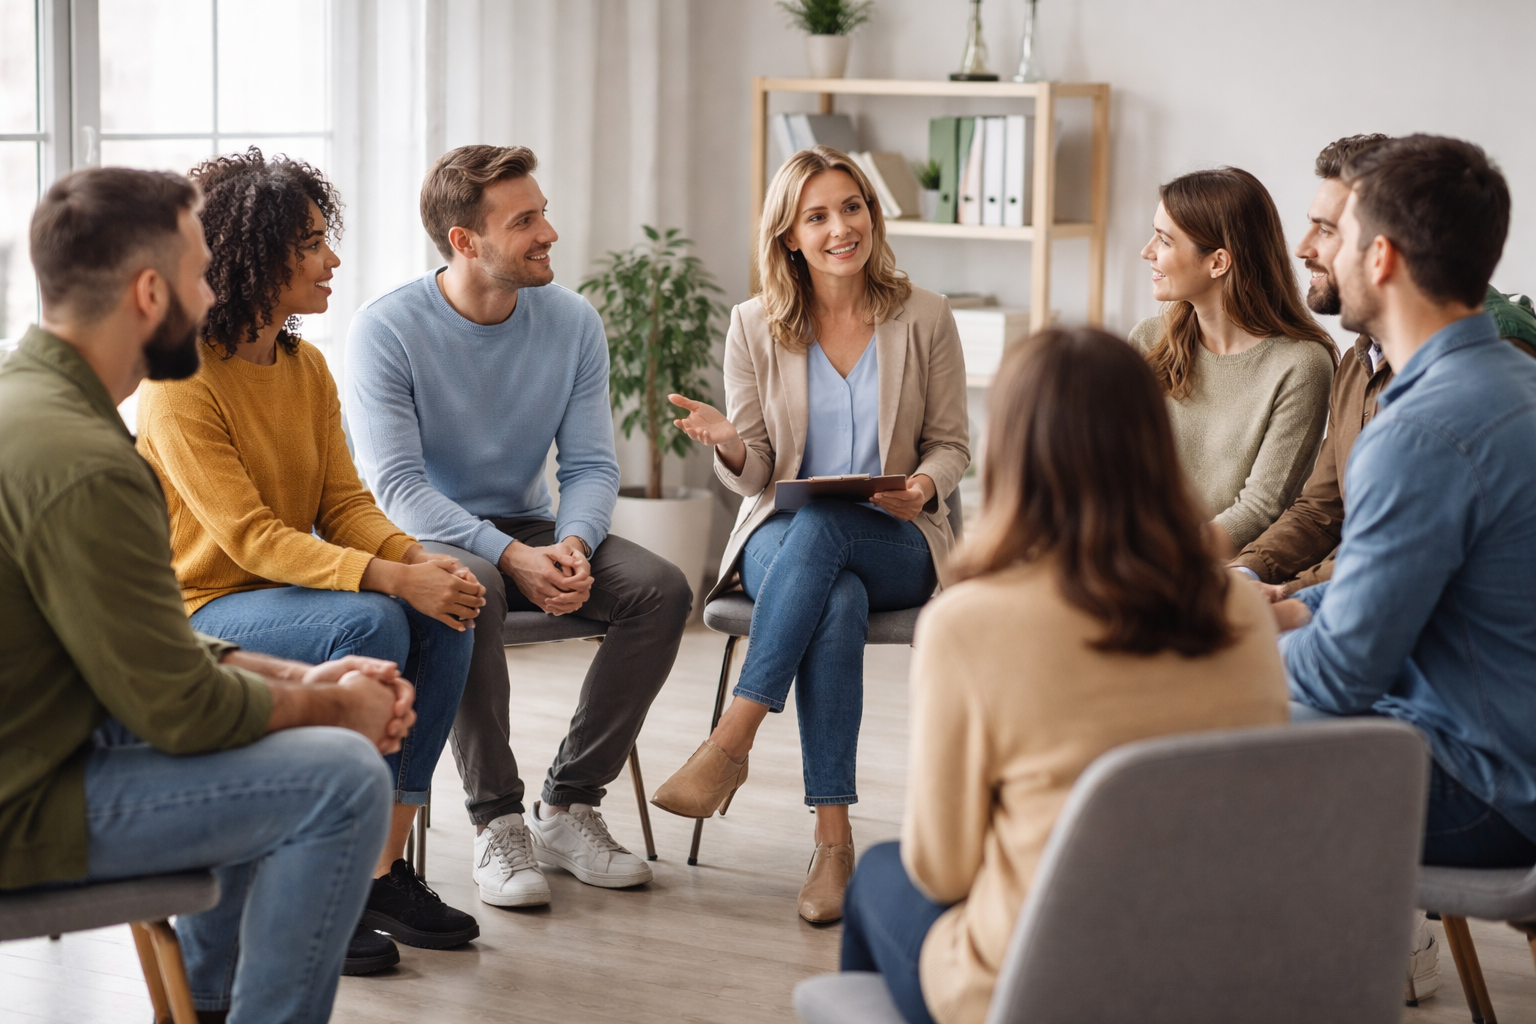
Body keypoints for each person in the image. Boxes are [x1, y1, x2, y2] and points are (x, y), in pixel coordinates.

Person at [0, 166, 415, 1024]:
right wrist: (339, 715)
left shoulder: (32, 405)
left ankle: (212, 1000)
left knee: (292, 726)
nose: (213, 291)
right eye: (200, 274)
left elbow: (140, 655)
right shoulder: (87, 463)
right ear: (150, 292)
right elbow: (180, 712)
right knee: (341, 778)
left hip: (50, 738)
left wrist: (306, 681)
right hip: (26, 804)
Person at [838, 326, 1289, 1024]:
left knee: (878, 876)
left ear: (1014, 452)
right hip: (1213, 974)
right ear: (1153, 446)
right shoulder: (1237, 606)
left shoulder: (968, 623)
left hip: (1041, 986)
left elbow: (943, 869)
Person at [134, 149, 482, 973]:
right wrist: (392, 579)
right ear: (253, 257)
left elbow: (345, 506)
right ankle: (324, 871)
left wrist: (419, 563)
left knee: (450, 609)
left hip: (292, 593)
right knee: (374, 615)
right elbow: (248, 538)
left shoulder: (305, 367)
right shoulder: (181, 382)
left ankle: (378, 871)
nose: (333, 261)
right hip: (208, 606)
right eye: (315, 244)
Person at [346, 144, 690, 907]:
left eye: (544, 212)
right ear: (465, 241)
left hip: (533, 526)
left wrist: (571, 545)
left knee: (660, 590)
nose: (550, 233)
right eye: (525, 220)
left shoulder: (570, 321)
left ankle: (569, 804)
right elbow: (397, 487)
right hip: (427, 535)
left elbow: (593, 465)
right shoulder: (387, 330)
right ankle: (496, 820)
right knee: (470, 589)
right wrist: (508, 558)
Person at [649, 145, 970, 923]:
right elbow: (757, 474)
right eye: (817, 216)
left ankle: (731, 741)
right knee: (833, 589)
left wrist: (922, 485)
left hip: (897, 535)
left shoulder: (924, 315)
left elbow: (953, 444)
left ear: (872, 215)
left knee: (835, 539)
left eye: (851, 208)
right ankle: (832, 839)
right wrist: (729, 442)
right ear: (789, 235)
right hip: (782, 535)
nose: (840, 228)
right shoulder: (753, 326)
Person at [1277, 136, 1536, 873]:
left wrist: (1226, 650)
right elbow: (1422, 592)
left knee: (1160, 738)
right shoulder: (1513, 385)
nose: (1314, 249)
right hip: (1500, 749)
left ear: (1381, 258)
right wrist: (1299, 609)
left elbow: (1340, 677)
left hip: (1484, 787)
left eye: (1338, 236)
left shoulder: (1421, 432)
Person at [1232, 136, 1536, 599]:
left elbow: (1404, 566)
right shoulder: (1361, 357)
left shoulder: (1489, 359)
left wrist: (1285, 600)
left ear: (1383, 247)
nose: (1302, 248)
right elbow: (1323, 509)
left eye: (1330, 230)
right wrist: (1246, 574)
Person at [1130, 167, 1337, 552]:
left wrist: (1156, 561)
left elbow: (1260, 510)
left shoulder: (1301, 365)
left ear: (1218, 262)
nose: (1147, 252)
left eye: (1164, 240)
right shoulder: (1147, 341)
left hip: (1216, 573)